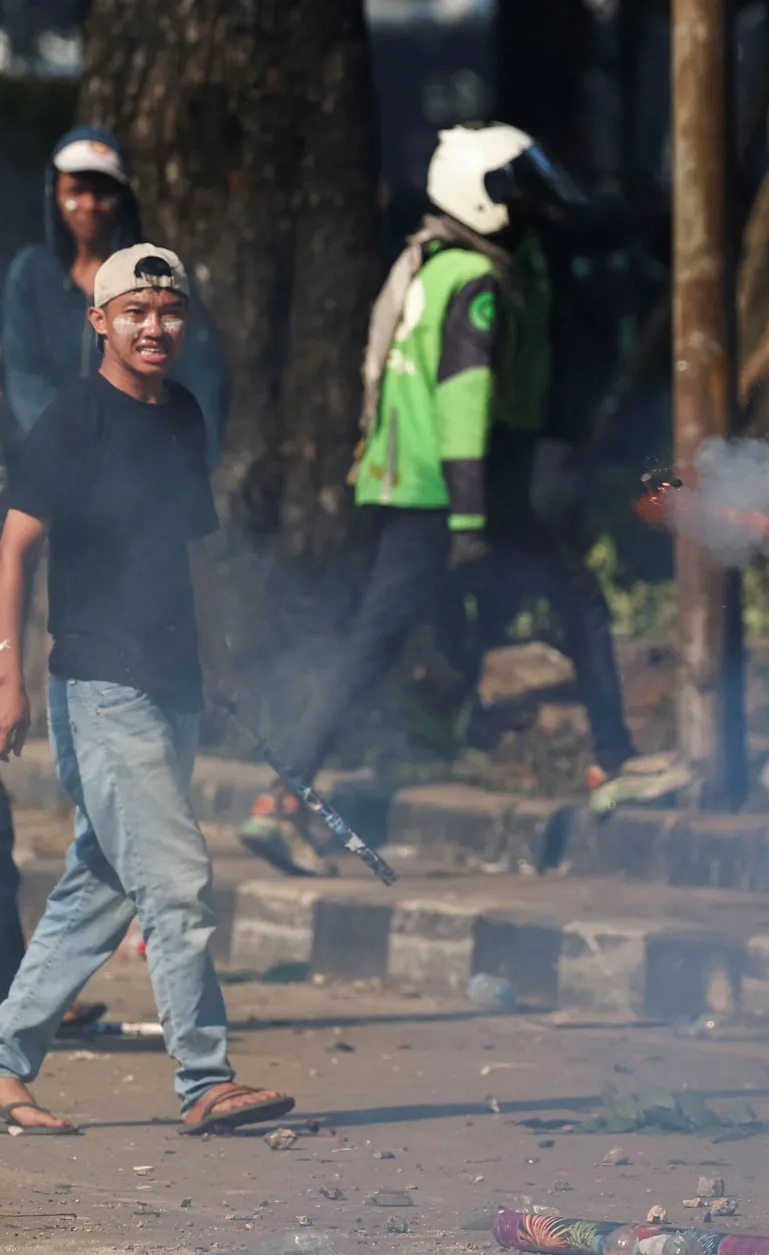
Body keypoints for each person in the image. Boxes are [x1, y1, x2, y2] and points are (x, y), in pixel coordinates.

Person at [239, 123, 670, 876]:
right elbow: (462, 402)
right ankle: (614, 761)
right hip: (454, 487)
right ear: (482, 195)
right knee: (576, 597)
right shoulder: (476, 281)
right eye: (515, 190)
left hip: (412, 485)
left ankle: (280, 798)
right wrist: (473, 518)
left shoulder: (431, 264)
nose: (529, 205)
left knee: (370, 644)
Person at [0, 244, 295, 1135]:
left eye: (168, 311)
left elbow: (188, 548)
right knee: (174, 879)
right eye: (135, 311)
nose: (154, 325)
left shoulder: (183, 416)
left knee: (97, 885)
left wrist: (220, 655)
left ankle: (3, 1063)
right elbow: (14, 548)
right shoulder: (70, 424)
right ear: (101, 323)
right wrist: (4, 675)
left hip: (172, 681)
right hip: (99, 682)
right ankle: (204, 1079)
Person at [3, 126, 230, 465]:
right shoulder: (32, 273)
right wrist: (68, 446)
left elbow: (203, 374)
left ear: (123, 197)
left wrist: (190, 461)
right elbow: (22, 374)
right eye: (76, 191)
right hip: (46, 465)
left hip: (140, 468)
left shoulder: (158, 274)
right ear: (54, 191)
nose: (89, 205)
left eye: (103, 193)